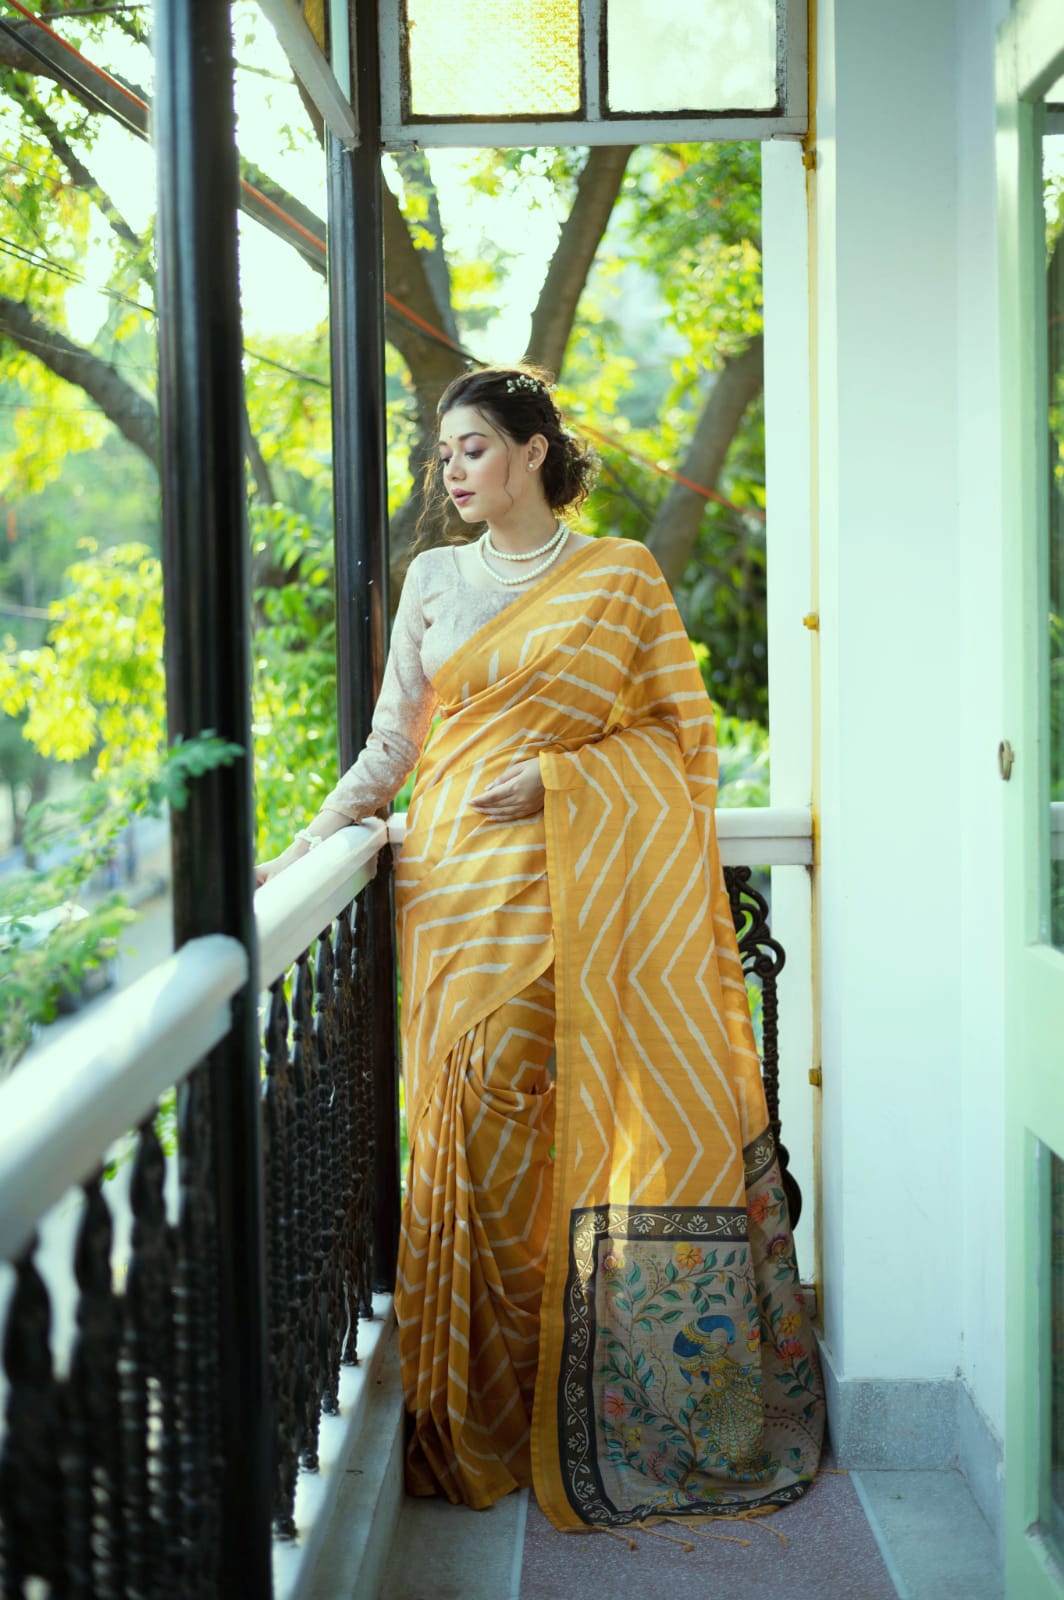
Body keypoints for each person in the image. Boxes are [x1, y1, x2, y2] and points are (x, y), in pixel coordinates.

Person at [257, 364, 824, 1535]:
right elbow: (388, 747)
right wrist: (309, 839)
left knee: (556, 1125)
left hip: (574, 892)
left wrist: (565, 777)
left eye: (469, 448)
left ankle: (578, 1399)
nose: (448, 471)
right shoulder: (431, 578)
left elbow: (679, 735)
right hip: (455, 898)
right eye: (441, 454)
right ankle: (491, 1413)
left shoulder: (619, 576)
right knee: (467, 1134)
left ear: (528, 451)